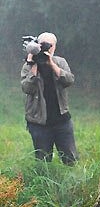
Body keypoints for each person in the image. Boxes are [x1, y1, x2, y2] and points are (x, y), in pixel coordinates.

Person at [21, 32, 78, 165]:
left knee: (70, 159)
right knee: (43, 161)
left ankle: (72, 183)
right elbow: (27, 89)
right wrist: (33, 65)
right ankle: (46, 184)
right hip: (38, 122)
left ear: (54, 47)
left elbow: (69, 80)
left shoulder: (60, 62)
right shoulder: (28, 65)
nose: (46, 48)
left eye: (49, 45)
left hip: (61, 119)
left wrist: (51, 64)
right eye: (43, 45)